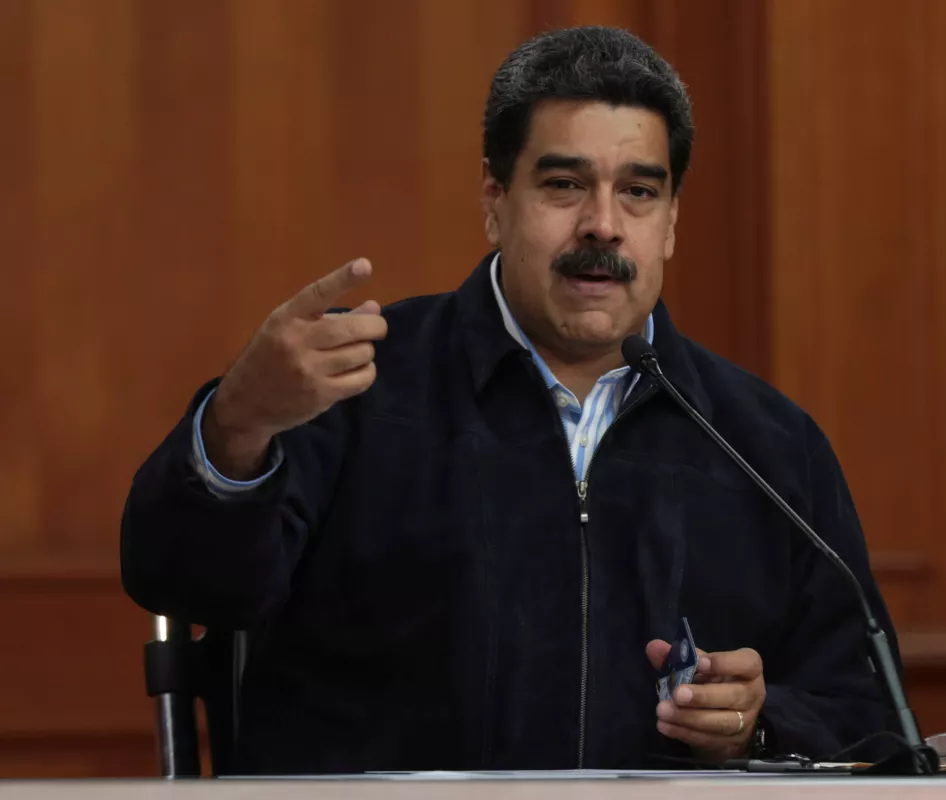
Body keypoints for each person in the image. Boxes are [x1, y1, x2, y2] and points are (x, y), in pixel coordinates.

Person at [122, 25, 904, 774]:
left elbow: (867, 715)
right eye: (564, 185)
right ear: (495, 202)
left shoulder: (767, 443)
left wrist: (757, 724)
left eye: (638, 191)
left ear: (670, 222)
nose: (602, 225)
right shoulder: (349, 388)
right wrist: (239, 423)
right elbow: (178, 581)